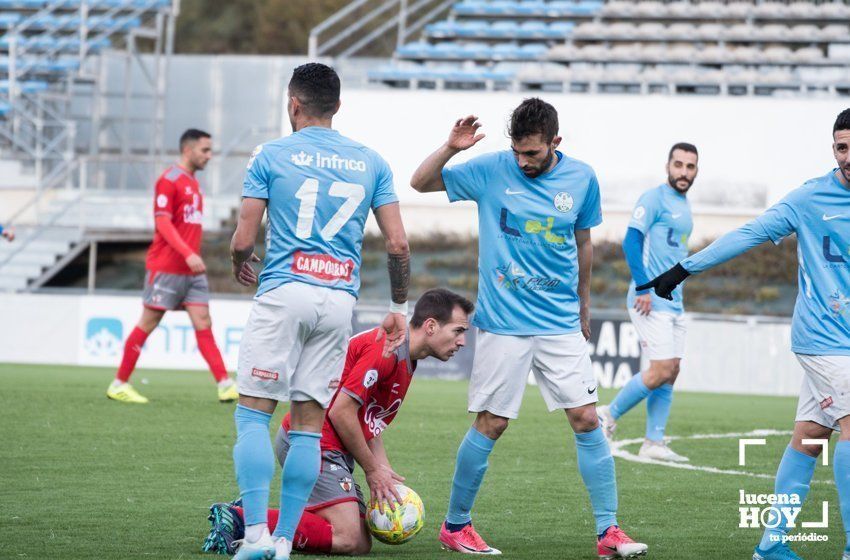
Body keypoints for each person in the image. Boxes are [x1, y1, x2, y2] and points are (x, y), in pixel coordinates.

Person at [410, 98, 647, 558]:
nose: (523, 161)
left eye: (533, 154)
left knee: (586, 418)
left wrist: (584, 306)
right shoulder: (491, 170)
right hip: (504, 323)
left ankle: (608, 533)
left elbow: (584, 244)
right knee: (492, 422)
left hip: (559, 323)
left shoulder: (582, 178)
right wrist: (450, 147)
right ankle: (456, 526)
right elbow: (419, 183)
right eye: (517, 152)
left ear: (555, 142)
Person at [638, 108, 850, 560]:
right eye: (841, 147)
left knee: (811, 436)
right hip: (823, 338)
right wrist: (684, 268)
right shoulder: (811, 199)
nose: (848, 157)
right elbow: (750, 233)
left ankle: (772, 544)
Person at [229, 62, 410, 560]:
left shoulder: (270, 153)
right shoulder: (371, 160)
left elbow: (245, 239)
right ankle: (285, 541)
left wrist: (239, 262)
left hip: (286, 291)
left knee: (252, 416)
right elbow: (397, 243)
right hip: (338, 303)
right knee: (308, 423)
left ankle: (254, 538)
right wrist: (398, 306)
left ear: (293, 104)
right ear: (337, 106)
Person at [203, 289, 474, 556]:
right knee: (351, 539)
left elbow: (368, 420)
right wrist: (371, 470)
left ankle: (263, 515)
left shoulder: (406, 357)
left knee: (358, 535)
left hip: (330, 446)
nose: (462, 341)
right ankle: (238, 518)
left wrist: (384, 474)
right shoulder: (386, 350)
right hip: (313, 441)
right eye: (458, 331)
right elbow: (341, 412)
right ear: (430, 326)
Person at [106, 128, 236, 404]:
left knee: (203, 322)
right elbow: (163, 222)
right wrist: (188, 253)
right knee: (149, 322)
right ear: (188, 150)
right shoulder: (169, 180)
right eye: (205, 150)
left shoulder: (192, 183)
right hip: (167, 267)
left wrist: (191, 257)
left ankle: (225, 384)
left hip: (192, 272)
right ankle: (119, 383)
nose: (210, 156)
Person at [597, 143, 698, 463]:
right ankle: (607, 415)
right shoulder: (654, 199)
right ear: (667, 166)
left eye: (690, 166)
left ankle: (654, 441)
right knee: (661, 369)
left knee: (672, 370)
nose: (683, 172)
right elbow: (631, 240)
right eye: (678, 164)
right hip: (649, 300)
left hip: (674, 301)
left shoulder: (684, 205)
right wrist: (643, 287)